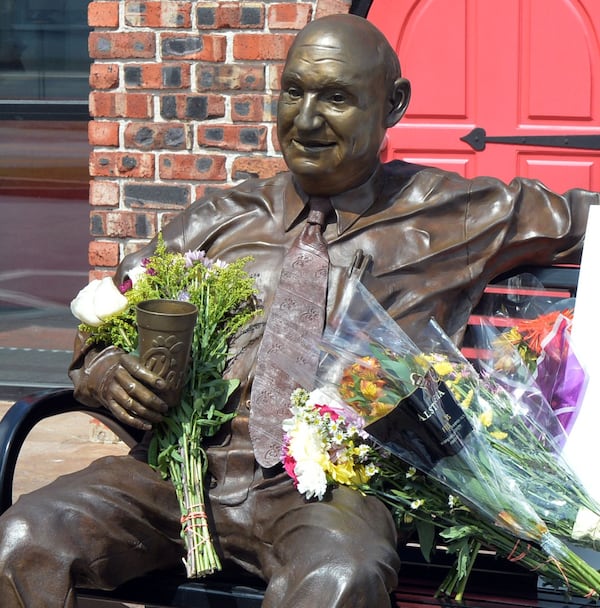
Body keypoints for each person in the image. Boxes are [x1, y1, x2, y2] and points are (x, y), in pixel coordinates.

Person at [0, 13, 597, 608]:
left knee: (342, 574)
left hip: (327, 493)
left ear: (393, 105)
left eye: (336, 97)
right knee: (20, 541)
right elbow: (108, 319)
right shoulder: (221, 217)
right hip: (178, 475)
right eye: (294, 92)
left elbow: (584, 219)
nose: (306, 120)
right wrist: (108, 371)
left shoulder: (457, 212)